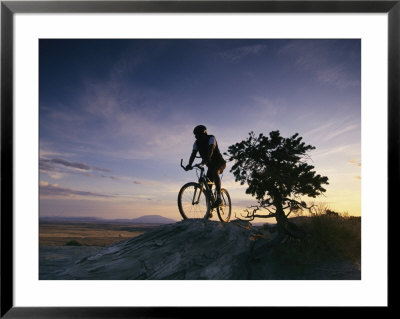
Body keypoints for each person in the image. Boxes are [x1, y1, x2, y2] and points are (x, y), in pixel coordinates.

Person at [185, 125, 227, 207]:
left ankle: (219, 198)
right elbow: (193, 154)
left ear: (203, 133)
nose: (196, 137)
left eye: (197, 135)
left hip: (220, 163)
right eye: (195, 135)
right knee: (208, 189)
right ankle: (209, 210)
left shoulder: (211, 138)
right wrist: (189, 164)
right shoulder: (196, 143)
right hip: (210, 167)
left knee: (215, 172)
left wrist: (207, 158)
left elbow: (211, 148)